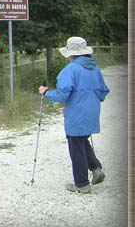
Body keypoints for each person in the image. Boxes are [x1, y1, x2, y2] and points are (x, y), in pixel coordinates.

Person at [38, 37, 110, 194]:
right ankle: (96, 168)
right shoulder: (95, 69)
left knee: (75, 144)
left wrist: (46, 92)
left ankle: (82, 184)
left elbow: (62, 95)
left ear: (71, 54)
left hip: (76, 113)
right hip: (92, 111)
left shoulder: (70, 70)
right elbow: (104, 91)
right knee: (81, 139)